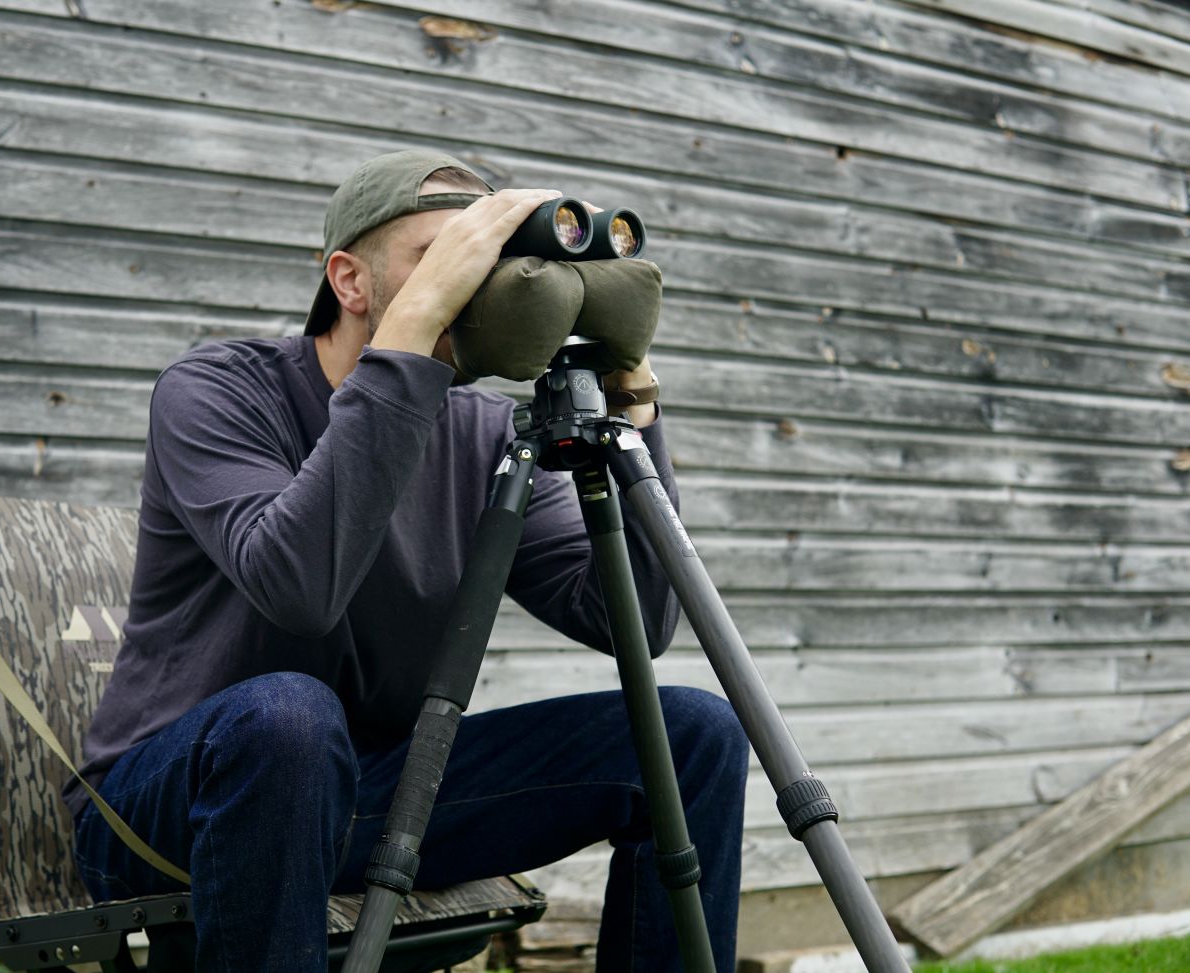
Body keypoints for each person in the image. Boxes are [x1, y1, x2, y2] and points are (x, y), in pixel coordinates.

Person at [64, 149, 749, 972]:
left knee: (690, 734)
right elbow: (299, 587)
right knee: (290, 715)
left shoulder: (485, 433)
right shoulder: (217, 389)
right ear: (351, 283)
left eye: (486, 260)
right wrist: (414, 339)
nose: (473, 284)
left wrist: (631, 393)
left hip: (374, 793)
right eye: (441, 259)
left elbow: (632, 615)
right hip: (173, 799)